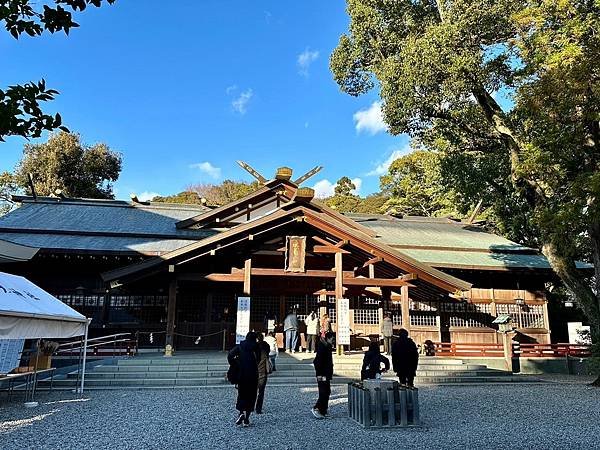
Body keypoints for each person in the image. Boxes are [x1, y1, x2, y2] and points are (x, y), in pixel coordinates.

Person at [227, 331, 259, 427]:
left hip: (242, 374)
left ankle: (241, 413)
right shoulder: (256, 347)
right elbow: (259, 359)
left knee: (242, 394)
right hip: (253, 375)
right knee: (251, 396)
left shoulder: (240, 346)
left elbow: (230, 355)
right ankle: (247, 419)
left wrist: (235, 363)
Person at [312, 331, 334, 419]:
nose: (333, 341)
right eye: (332, 339)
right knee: (323, 392)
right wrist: (319, 374)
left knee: (327, 391)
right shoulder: (323, 347)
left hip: (326, 373)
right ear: (328, 338)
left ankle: (324, 410)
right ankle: (317, 408)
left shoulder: (327, 346)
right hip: (322, 374)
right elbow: (317, 362)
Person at [255, 333, 271, 414]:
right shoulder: (266, 346)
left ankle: (250, 406)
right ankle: (258, 408)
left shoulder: (253, 347)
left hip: (254, 371)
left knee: (252, 390)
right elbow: (268, 352)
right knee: (261, 391)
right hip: (263, 371)